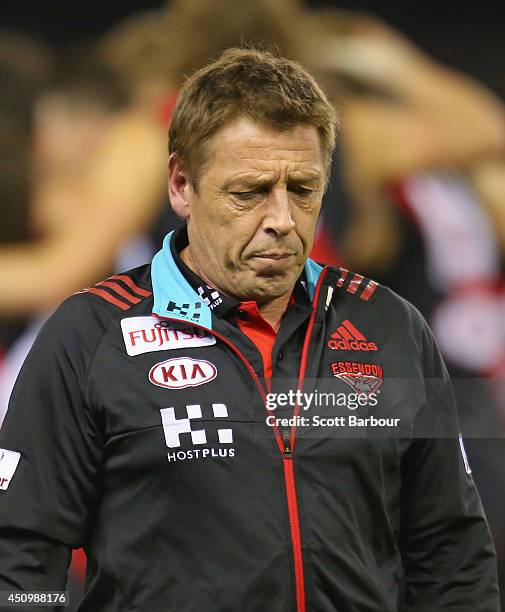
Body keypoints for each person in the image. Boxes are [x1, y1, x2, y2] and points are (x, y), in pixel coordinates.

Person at [0, 47, 499, 612]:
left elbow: (451, 554)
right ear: (181, 186)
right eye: (250, 192)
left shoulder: (390, 327)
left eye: (304, 190)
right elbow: (19, 556)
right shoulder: (91, 335)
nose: (282, 221)